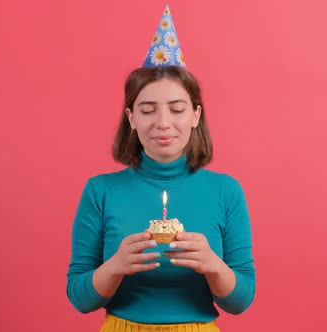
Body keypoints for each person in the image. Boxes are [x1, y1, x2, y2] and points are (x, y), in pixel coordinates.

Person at [66, 6, 255, 332]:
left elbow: (240, 302)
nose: (163, 123)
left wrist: (212, 265)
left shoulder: (226, 191)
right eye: (148, 110)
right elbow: (80, 299)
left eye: (177, 109)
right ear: (131, 118)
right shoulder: (100, 191)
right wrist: (116, 266)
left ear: (195, 116)